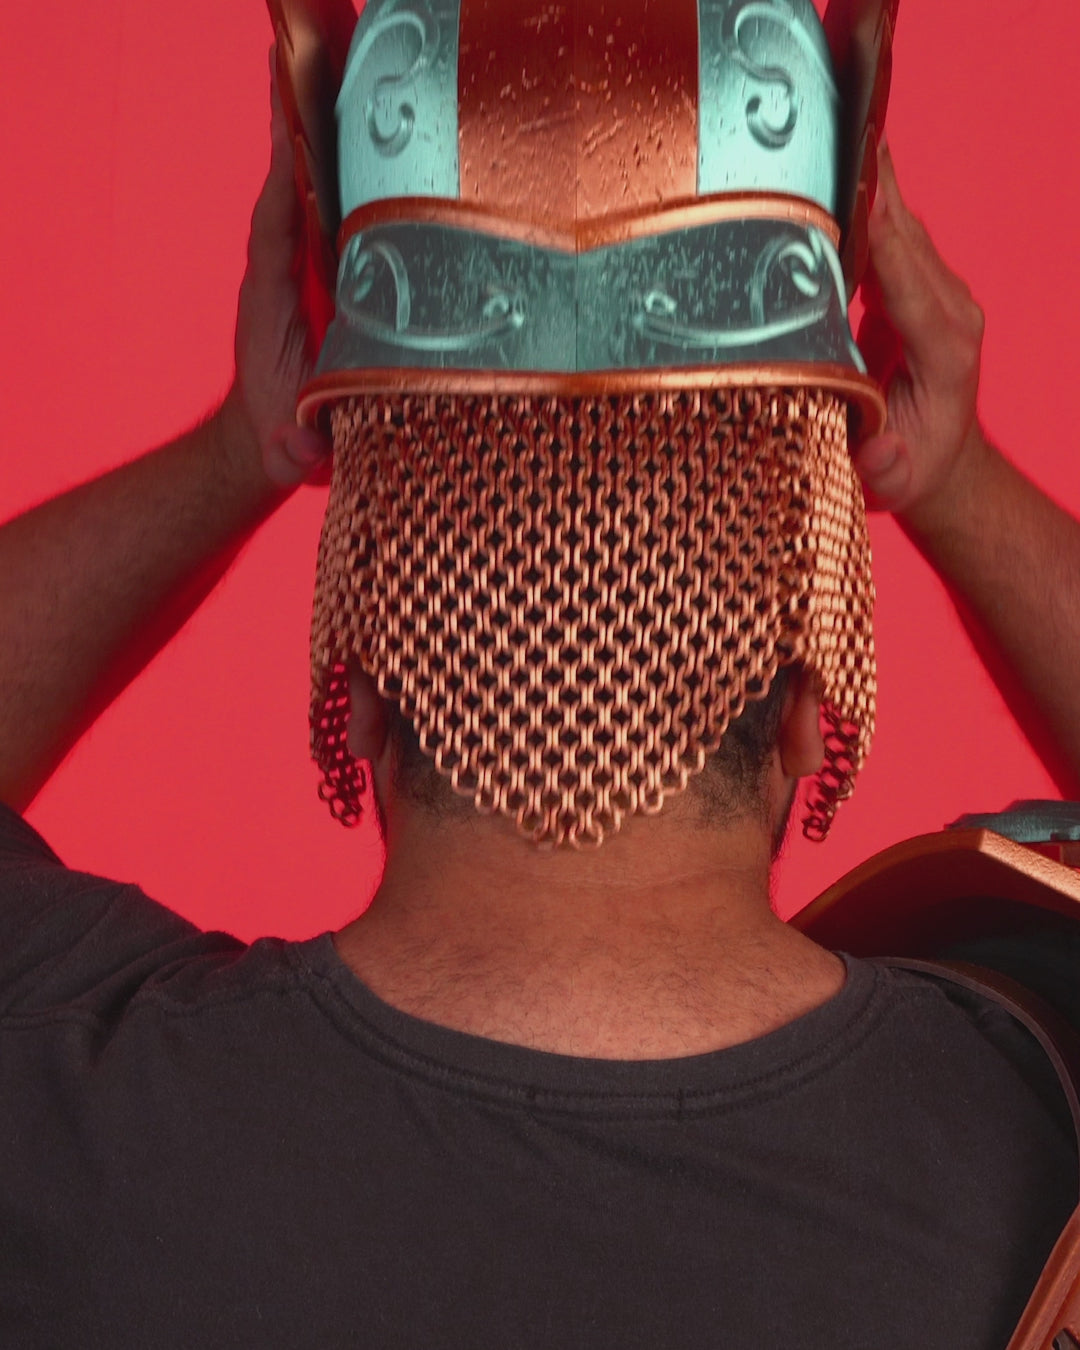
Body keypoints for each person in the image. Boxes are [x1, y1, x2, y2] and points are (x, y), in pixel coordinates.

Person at [2, 50, 1080, 1350]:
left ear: (358, 688)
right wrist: (956, 478)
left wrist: (247, 444)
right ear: (809, 701)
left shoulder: (67, 1101)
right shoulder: (1032, 1130)